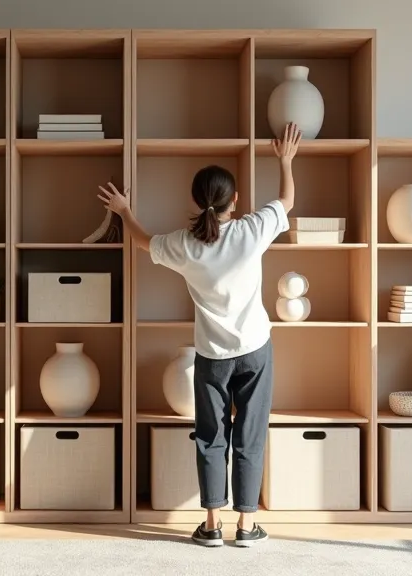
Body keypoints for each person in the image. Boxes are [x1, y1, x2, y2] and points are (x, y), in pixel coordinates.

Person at [97, 123, 301, 548]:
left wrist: (123, 210)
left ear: (195, 201)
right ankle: (246, 526)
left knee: (211, 437)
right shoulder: (251, 230)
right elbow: (287, 201)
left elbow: (140, 240)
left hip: (212, 356)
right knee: (250, 434)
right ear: (234, 201)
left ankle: (211, 524)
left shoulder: (185, 244)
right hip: (255, 351)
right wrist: (285, 161)